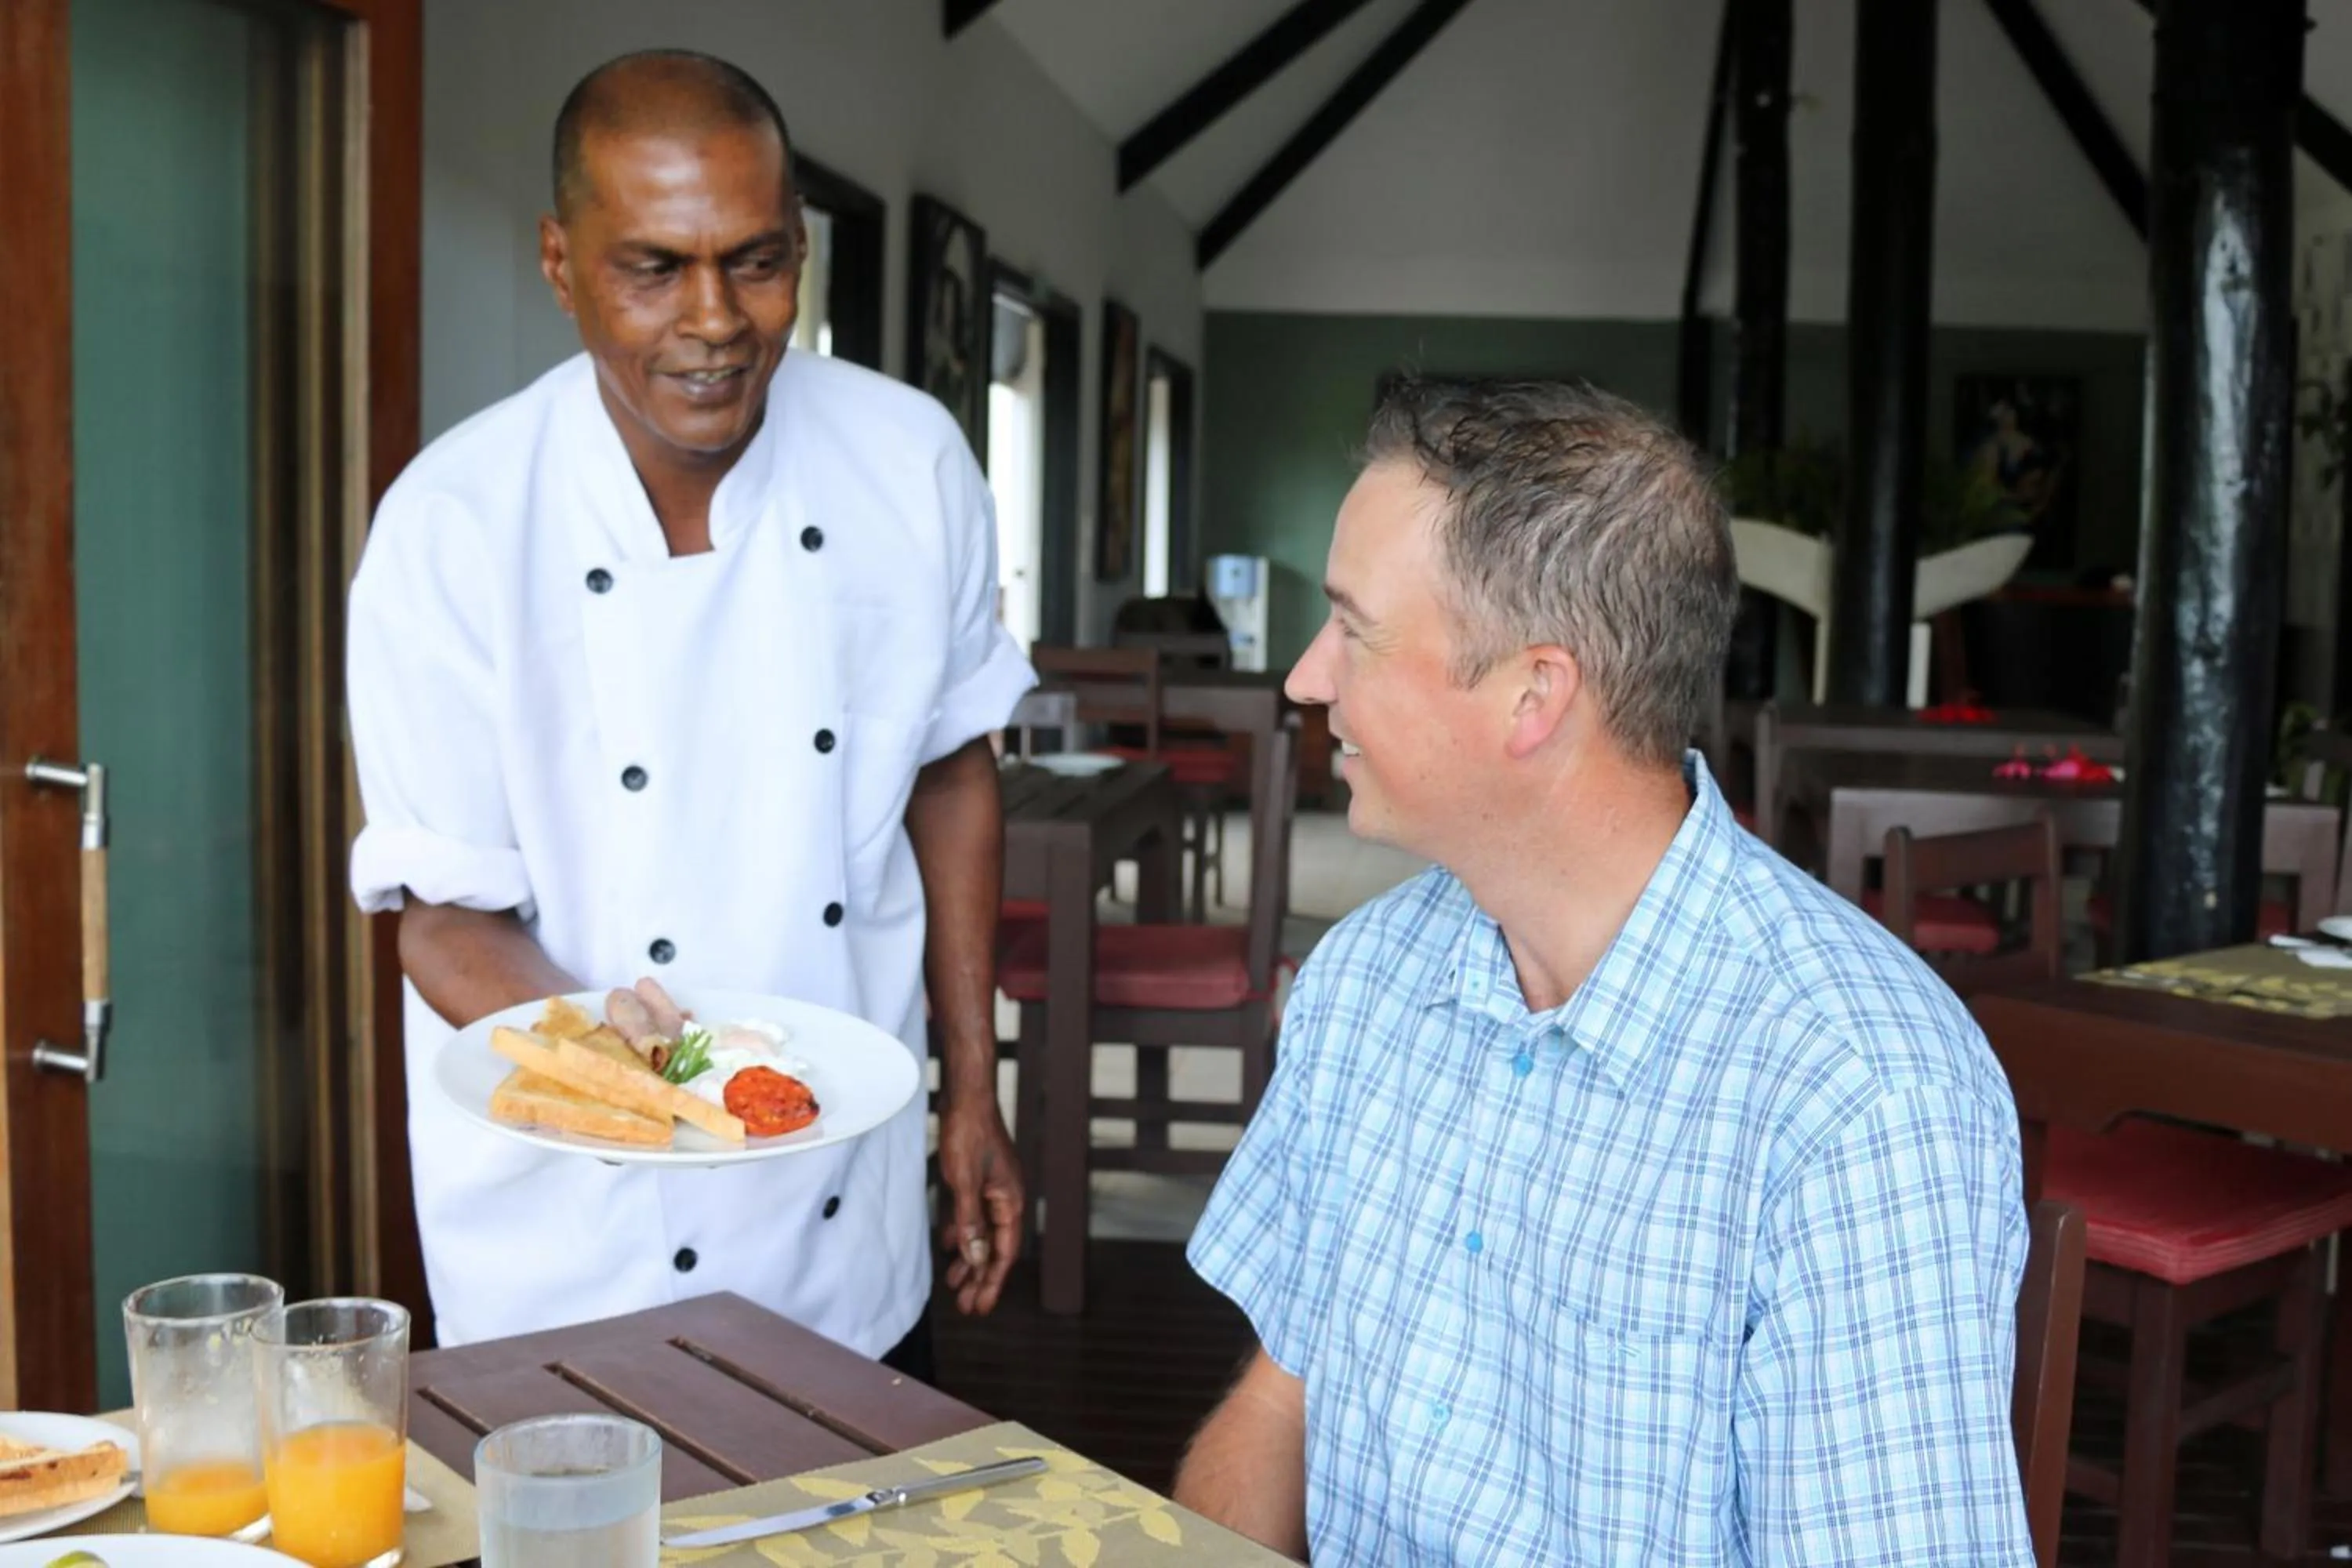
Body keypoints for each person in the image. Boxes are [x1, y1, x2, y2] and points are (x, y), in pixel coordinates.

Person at [1172, 379, 2034, 1563]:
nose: (1307, 678)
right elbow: (1282, 1399)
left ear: (1535, 692)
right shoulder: (1363, 983)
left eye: (1354, 629)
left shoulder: (1859, 1103)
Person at [345, 49, 1034, 1371]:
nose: (715, 319)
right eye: (652, 267)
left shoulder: (910, 463)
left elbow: (951, 773)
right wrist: (660, 1083)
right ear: (561, 262)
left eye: (759, 262)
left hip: (842, 1215)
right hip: (567, 1223)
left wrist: (971, 1088)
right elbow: (441, 919)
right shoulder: (456, 523)